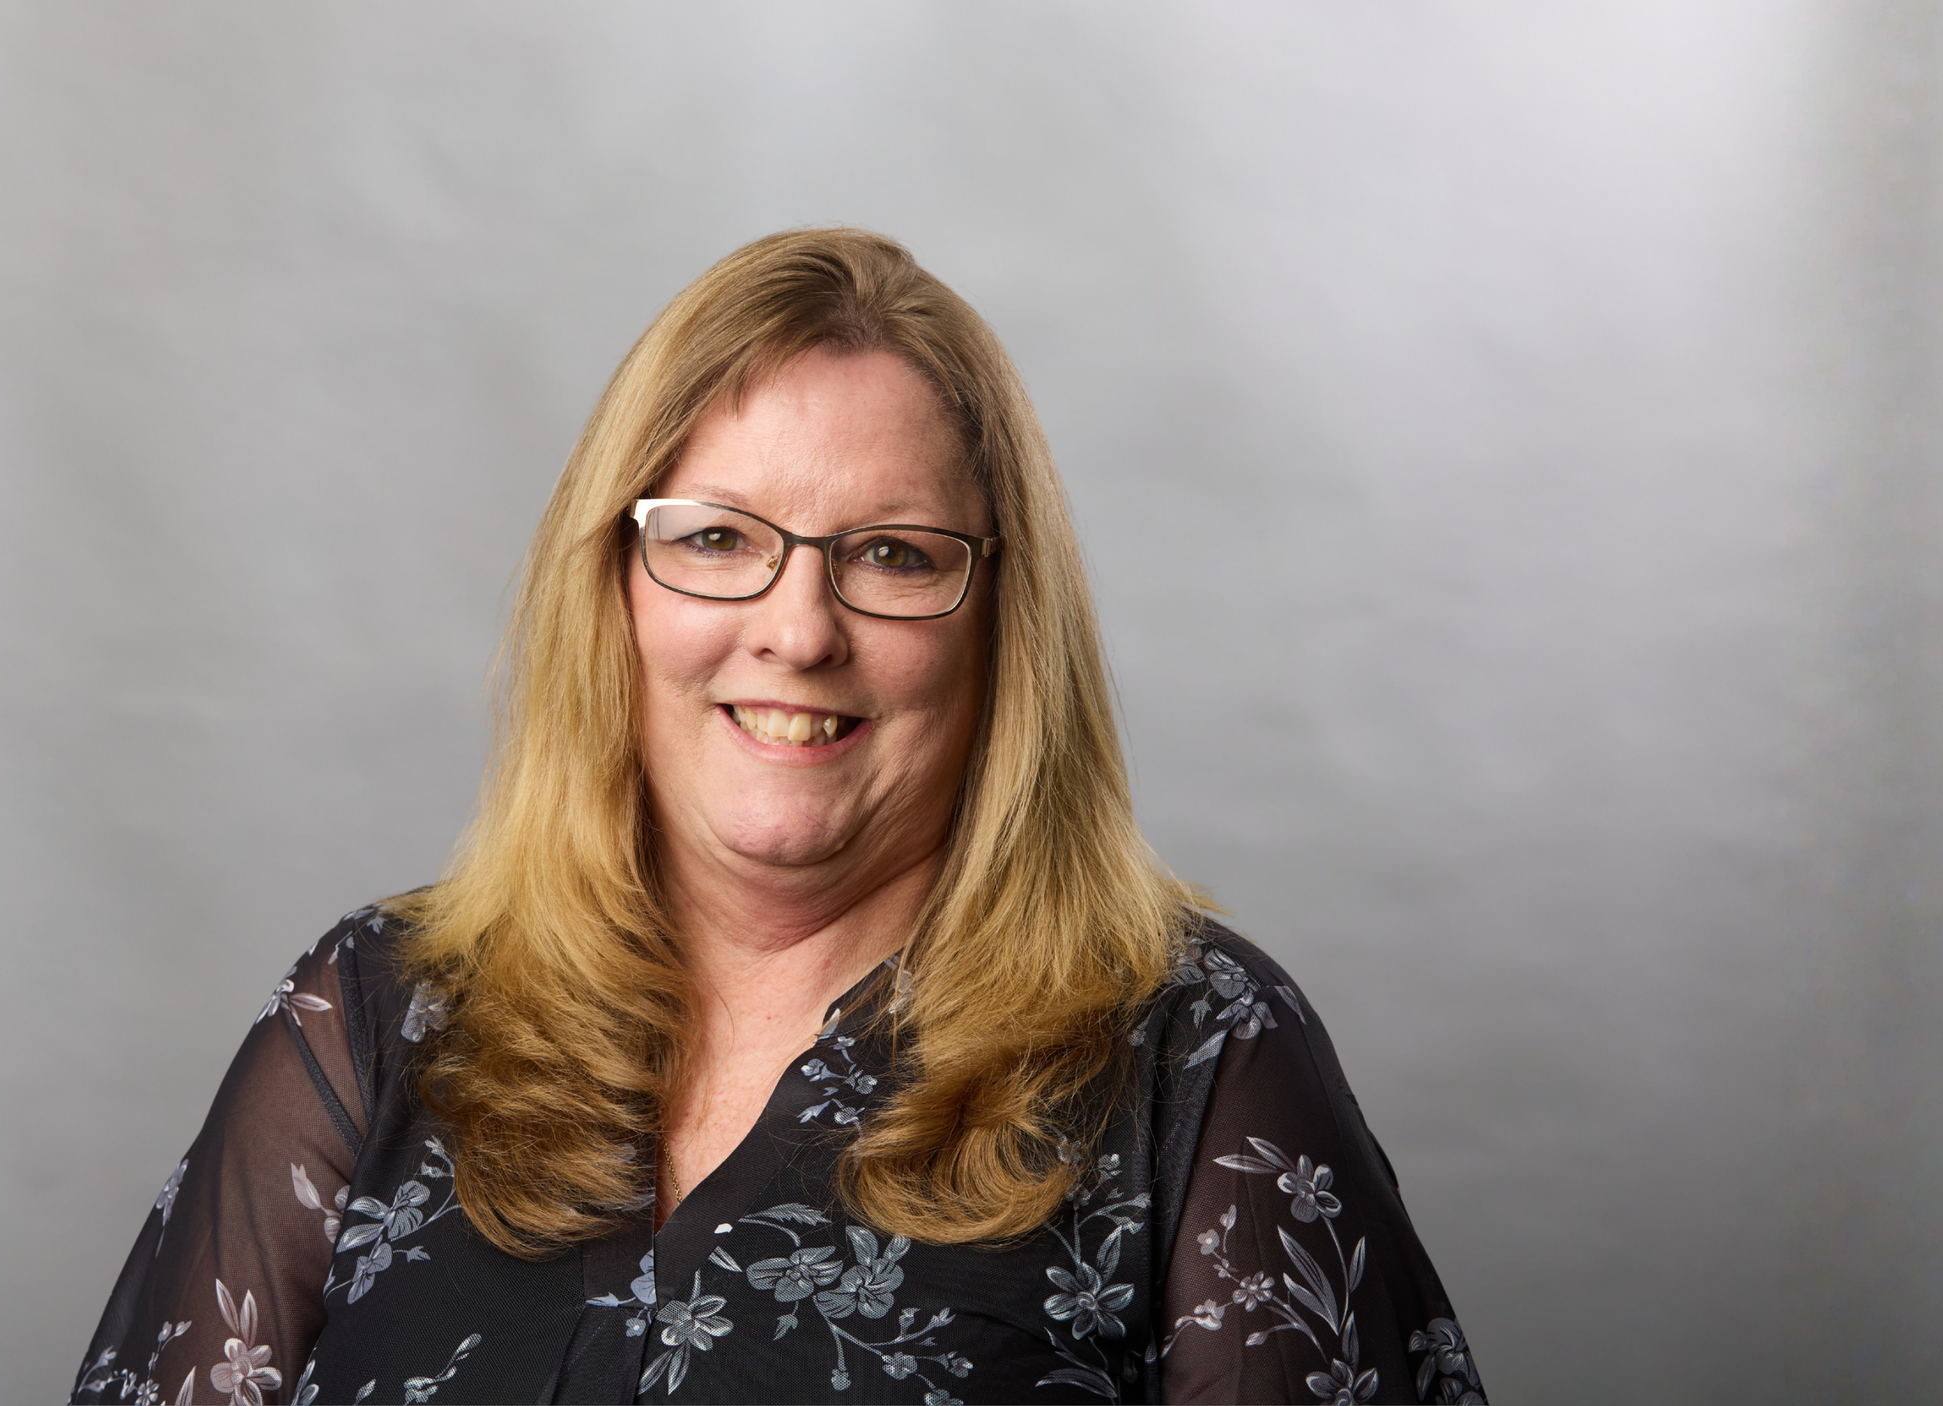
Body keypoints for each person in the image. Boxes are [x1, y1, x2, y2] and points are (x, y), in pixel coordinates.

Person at [71, 228, 1483, 1406]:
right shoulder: (377, 1026)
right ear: (614, 589)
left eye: (892, 554)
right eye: (717, 539)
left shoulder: (1192, 1055)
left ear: (1004, 626)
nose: (798, 629)